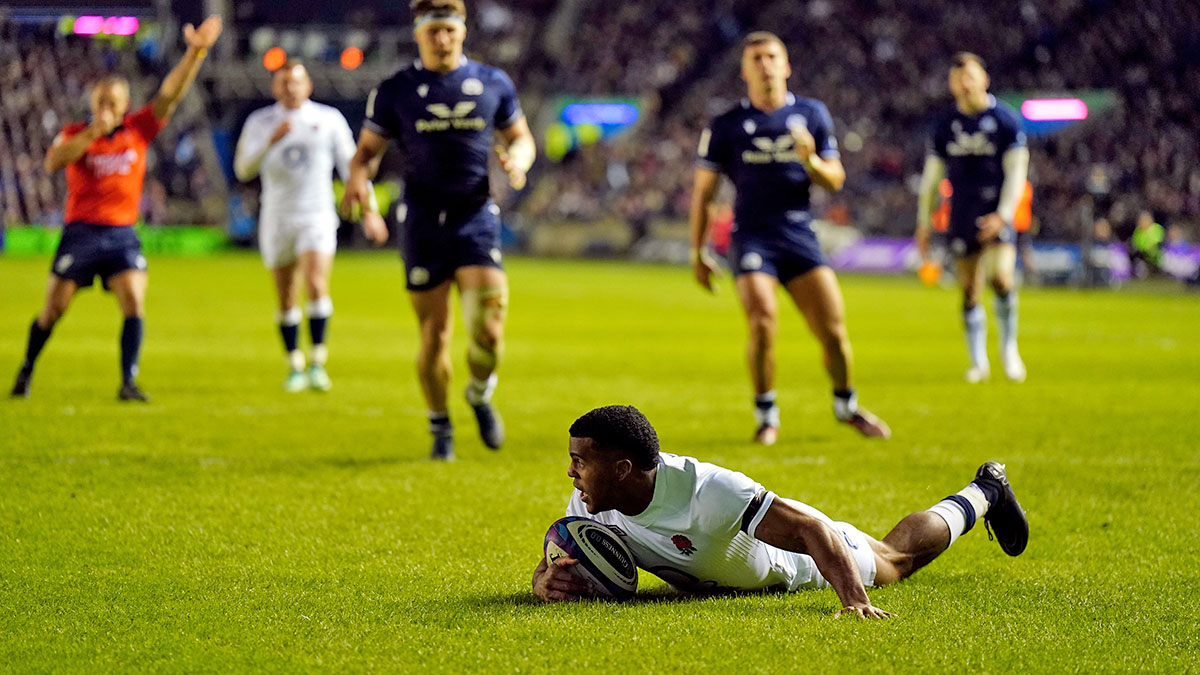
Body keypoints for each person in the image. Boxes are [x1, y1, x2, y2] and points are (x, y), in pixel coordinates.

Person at [532, 405, 1028, 617]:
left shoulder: (708, 491)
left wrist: (852, 600)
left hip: (800, 562)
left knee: (895, 562)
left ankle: (985, 492)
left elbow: (810, 529)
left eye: (579, 461)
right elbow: (561, 555)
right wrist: (544, 581)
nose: (570, 473)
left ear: (621, 469)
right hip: (729, 576)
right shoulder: (588, 502)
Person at [340, 0, 535, 460]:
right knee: (435, 334)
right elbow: (366, 152)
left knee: (489, 330)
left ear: (463, 31)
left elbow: (521, 137)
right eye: (433, 31)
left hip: (475, 215)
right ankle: (441, 426)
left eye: (449, 29)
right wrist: (357, 181)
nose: (442, 38)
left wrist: (518, 162)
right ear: (418, 33)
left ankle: (480, 394)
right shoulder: (396, 89)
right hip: (423, 221)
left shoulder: (493, 82)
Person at [688, 32, 890, 445]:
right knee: (762, 320)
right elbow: (704, 194)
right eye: (756, 58)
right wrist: (698, 250)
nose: (765, 64)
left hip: (799, 235)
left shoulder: (812, 114)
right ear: (745, 70)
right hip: (752, 237)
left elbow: (835, 179)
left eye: (772, 56)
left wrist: (811, 159)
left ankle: (846, 406)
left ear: (786, 65)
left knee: (832, 331)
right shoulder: (726, 125)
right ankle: (767, 415)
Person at [10, 16, 223, 401]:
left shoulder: (138, 129)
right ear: (93, 104)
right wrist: (94, 132)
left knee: (134, 299)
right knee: (54, 309)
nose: (107, 107)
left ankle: (128, 381)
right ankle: (26, 369)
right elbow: (53, 162)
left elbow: (170, 93)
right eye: (101, 102)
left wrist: (196, 53)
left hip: (122, 233)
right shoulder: (76, 134)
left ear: (125, 105)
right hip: (81, 232)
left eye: (114, 102)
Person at [235, 60, 375, 392]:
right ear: (274, 88)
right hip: (277, 216)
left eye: (296, 82)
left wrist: (369, 209)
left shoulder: (327, 119)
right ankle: (295, 364)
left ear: (308, 86)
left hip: (317, 213)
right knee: (285, 295)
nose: (290, 88)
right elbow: (243, 169)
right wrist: (270, 140)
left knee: (315, 283)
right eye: (283, 83)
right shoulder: (261, 121)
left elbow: (350, 164)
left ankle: (318, 361)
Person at [915, 53, 1029, 384]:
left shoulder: (1005, 121)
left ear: (984, 80)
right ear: (951, 85)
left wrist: (1004, 215)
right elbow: (931, 181)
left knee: (1002, 279)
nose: (964, 84)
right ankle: (978, 361)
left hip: (996, 212)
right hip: (961, 213)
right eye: (958, 78)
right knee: (970, 289)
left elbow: (1017, 172)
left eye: (970, 76)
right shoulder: (945, 126)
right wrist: (924, 222)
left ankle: (1009, 350)